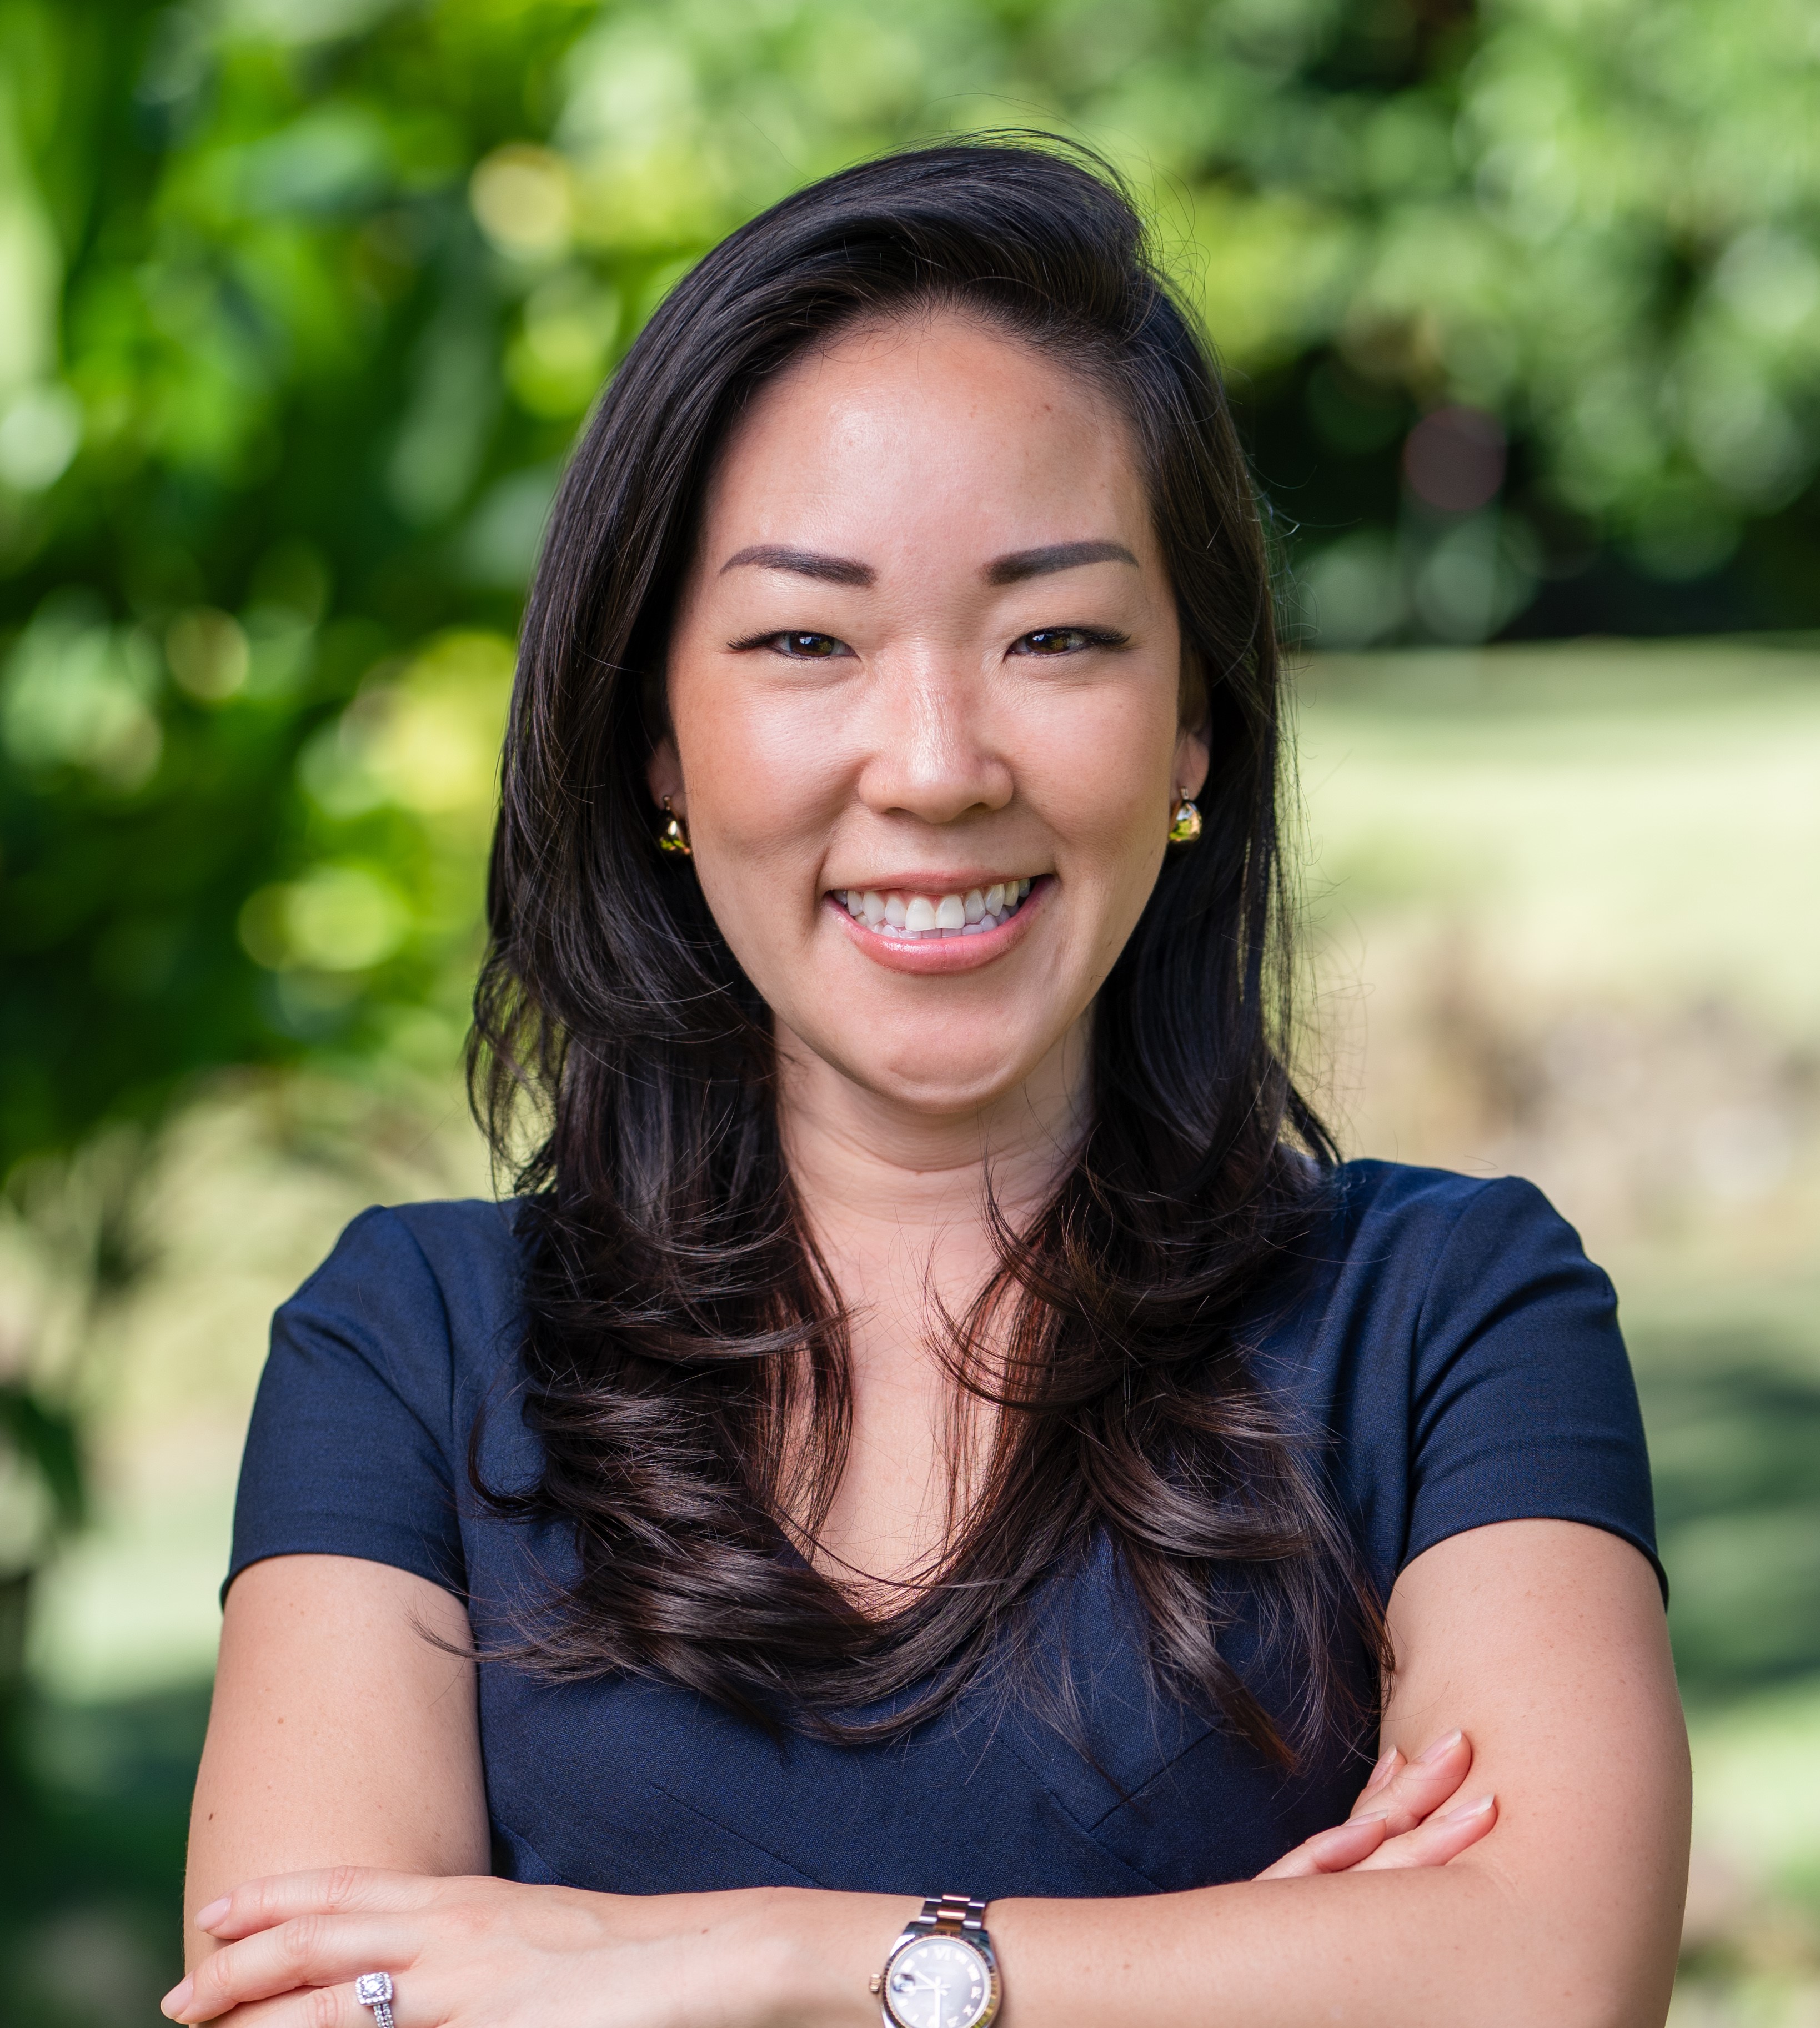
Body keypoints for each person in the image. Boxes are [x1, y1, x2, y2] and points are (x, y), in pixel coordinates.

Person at [168, 140, 1689, 2028]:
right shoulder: (408, 1351)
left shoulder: (1452, 1318)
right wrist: (1239, 1971)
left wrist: (748, 1960)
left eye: (1056, 635)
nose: (937, 762)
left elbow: (1543, 1976)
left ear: (1195, 720)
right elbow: (307, 2009)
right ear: (658, 734)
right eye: (806, 640)